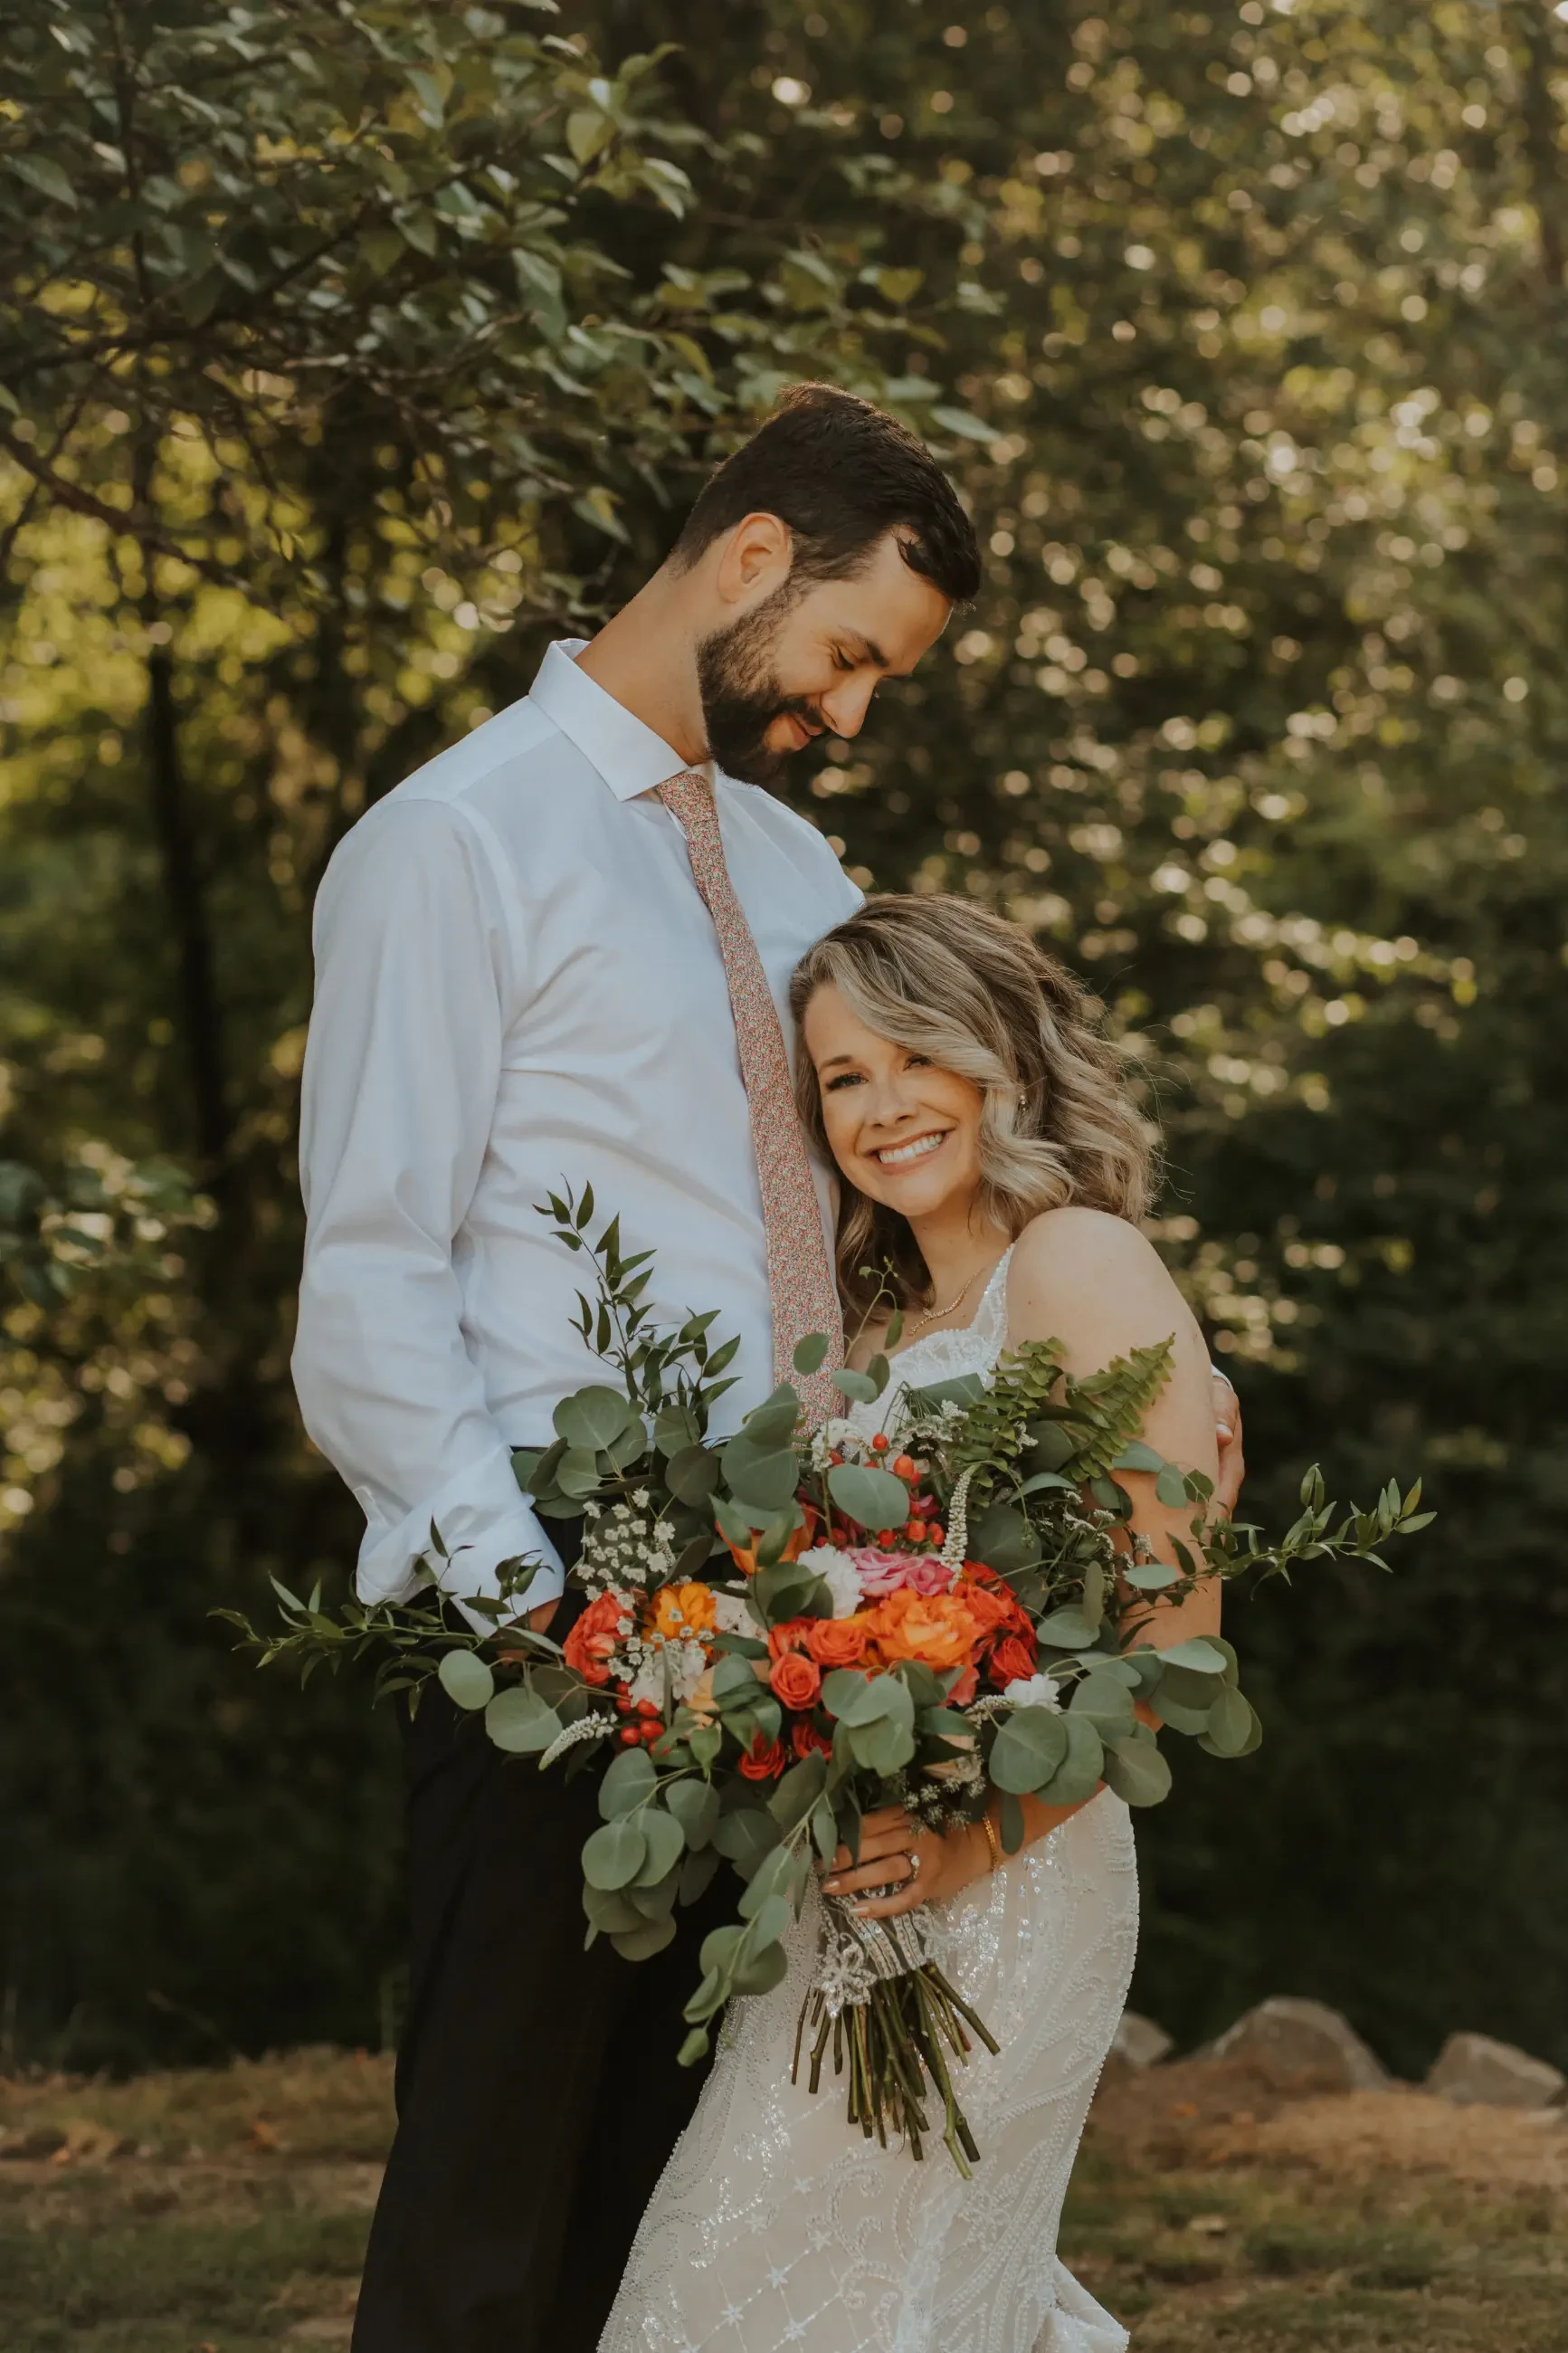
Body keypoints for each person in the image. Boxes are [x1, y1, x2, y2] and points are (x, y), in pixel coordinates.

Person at [291, 383, 1240, 2353]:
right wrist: (540, 1612)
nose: (850, 707)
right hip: (557, 1592)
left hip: (810, 1615)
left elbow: (919, 1188)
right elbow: (371, 1280)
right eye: (843, 652)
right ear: (744, 562)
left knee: (684, 2190)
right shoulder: (449, 846)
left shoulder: (804, 873)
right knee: (494, 2178)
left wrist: (1105, 1396)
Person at [601, 894, 1221, 2353]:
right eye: (840, 1078)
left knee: (835, 2297)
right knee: (763, 2285)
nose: (880, 1110)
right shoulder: (868, 1330)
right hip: (854, 1886)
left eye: (911, 1057)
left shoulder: (1078, 1263)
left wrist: (964, 1840)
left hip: (1015, 1876)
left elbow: (1177, 1638)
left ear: (996, 1055)